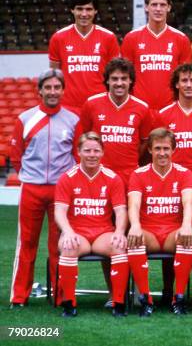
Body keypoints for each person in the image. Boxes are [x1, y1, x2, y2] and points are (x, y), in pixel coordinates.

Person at [9, 69, 81, 307]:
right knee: (27, 244)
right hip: (31, 188)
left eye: (56, 87)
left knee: (59, 245)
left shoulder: (73, 120)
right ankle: (19, 296)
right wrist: (30, 177)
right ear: (39, 90)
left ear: (63, 90)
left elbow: (76, 157)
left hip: (60, 192)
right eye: (48, 88)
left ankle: (60, 295)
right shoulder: (25, 119)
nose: (52, 92)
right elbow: (16, 156)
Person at [54, 132, 129, 317]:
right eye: (87, 150)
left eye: (96, 150)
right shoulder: (67, 177)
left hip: (102, 233)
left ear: (103, 152)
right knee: (68, 246)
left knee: (119, 246)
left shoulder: (113, 178)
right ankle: (69, 303)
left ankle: (118, 303)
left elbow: (120, 211)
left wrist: (120, 232)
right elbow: (59, 211)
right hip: (77, 232)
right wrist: (68, 232)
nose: (92, 155)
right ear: (78, 151)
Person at [126, 128, 192, 316]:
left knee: (186, 238)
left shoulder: (184, 173)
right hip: (149, 232)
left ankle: (178, 298)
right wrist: (135, 226)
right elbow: (134, 204)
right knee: (134, 240)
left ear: (173, 150)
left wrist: (187, 224)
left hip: (173, 231)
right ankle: (146, 300)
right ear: (149, 150)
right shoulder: (138, 174)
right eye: (157, 148)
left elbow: (188, 201)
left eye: (166, 148)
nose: (162, 153)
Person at [80, 58, 154, 184]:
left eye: (124, 78)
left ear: (130, 80)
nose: (119, 83)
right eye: (114, 78)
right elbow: (85, 136)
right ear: (107, 80)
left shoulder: (142, 108)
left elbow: (144, 142)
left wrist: (128, 159)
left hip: (129, 174)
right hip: (99, 173)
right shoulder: (91, 104)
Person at [121, 0, 192, 111]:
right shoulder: (131, 38)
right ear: (146, 7)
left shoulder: (181, 39)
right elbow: (125, 76)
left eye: (162, 5)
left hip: (171, 109)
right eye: (154, 4)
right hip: (139, 108)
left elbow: (186, 79)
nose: (158, 9)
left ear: (169, 7)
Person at [48, 0, 120, 110]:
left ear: (96, 10)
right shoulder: (58, 38)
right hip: (68, 107)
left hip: (100, 106)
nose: (84, 14)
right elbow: (54, 75)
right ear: (72, 10)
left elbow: (115, 74)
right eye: (79, 9)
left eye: (89, 9)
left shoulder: (109, 37)